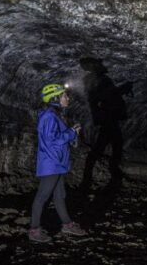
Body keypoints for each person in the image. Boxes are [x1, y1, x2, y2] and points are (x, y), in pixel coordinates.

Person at [28, 83, 88, 243]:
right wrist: (71, 132)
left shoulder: (54, 115)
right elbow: (51, 140)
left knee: (60, 195)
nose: (67, 98)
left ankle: (67, 224)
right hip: (51, 163)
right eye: (64, 96)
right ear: (54, 98)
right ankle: (34, 230)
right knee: (42, 197)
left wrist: (72, 133)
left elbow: (58, 138)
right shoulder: (48, 116)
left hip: (58, 162)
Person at [79, 57, 134, 188]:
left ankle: (93, 176)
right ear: (93, 66)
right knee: (111, 145)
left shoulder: (97, 79)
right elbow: (105, 96)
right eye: (98, 63)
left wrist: (121, 90)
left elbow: (107, 95)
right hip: (107, 117)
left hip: (108, 117)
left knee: (109, 144)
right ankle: (109, 176)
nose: (102, 65)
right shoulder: (95, 79)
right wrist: (123, 89)